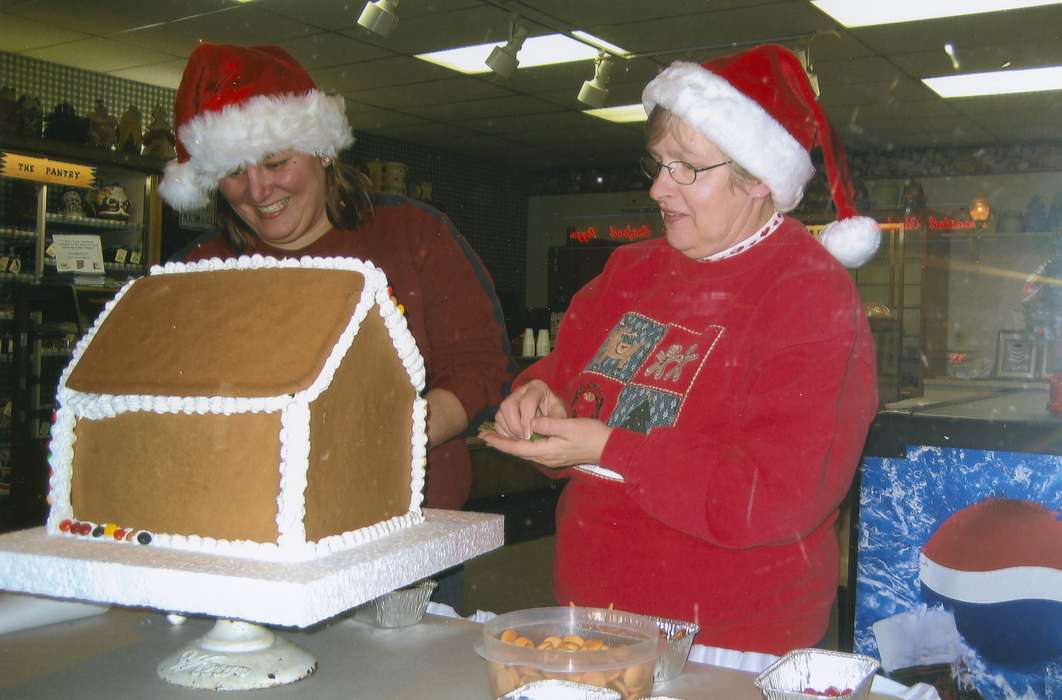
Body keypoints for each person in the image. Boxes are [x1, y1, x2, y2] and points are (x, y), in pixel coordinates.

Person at [480, 44, 880, 654]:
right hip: (590, 616)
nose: (661, 189)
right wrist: (537, 401)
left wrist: (615, 450)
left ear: (757, 179)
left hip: (729, 641)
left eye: (687, 167)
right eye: (659, 164)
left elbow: (779, 498)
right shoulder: (629, 271)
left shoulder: (810, 294)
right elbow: (568, 383)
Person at [158, 44, 514, 604]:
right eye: (233, 171)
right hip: (244, 546)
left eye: (277, 162)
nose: (258, 190)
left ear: (323, 150)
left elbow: (481, 368)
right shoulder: (198, 272)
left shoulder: (414, 234)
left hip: (403, 543)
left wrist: (379, 441)